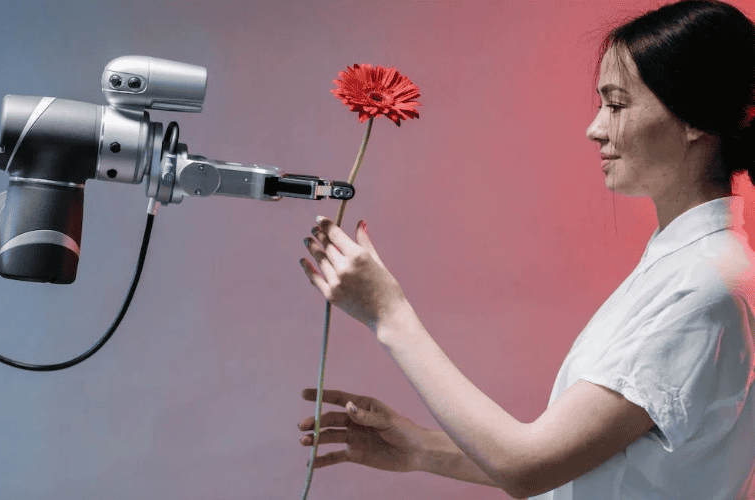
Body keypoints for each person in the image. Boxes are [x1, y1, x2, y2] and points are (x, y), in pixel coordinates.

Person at [297, 1, 755, 498]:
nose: (595, 128)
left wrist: (389, 314)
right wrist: (420, 449)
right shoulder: (689, 268)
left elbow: (526, 466)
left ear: (695, 118)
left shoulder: (704, 287)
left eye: (616, 105)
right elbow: (581, 460)